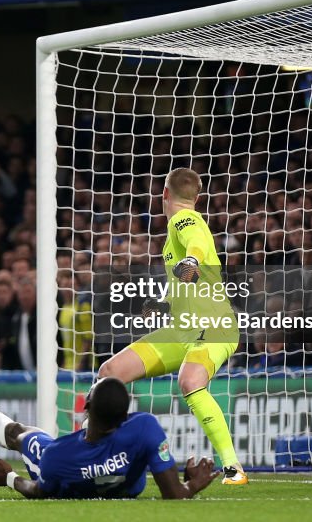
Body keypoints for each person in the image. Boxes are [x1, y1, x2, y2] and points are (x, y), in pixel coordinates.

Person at [97, 168, 246, 485]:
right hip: (183, 329)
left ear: (164, 194)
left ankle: (233, 468)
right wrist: (162, 304)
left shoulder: (184, 220)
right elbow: (184, 281)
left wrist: (191, 260)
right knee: (110, 373)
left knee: (190, 380)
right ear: (199, 196)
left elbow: (195, 246)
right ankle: (98, 455)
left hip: (213, 326)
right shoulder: (177, 232)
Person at [0, 361, 217, 499]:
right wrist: (193, 483)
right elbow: (175, 494)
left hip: (73, 459)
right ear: (124, 416)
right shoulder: (144, 428)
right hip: (124, 481)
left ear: (86, 406)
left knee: (16, 434)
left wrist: (8, 477)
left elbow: (38, 491)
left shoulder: (57, 456)